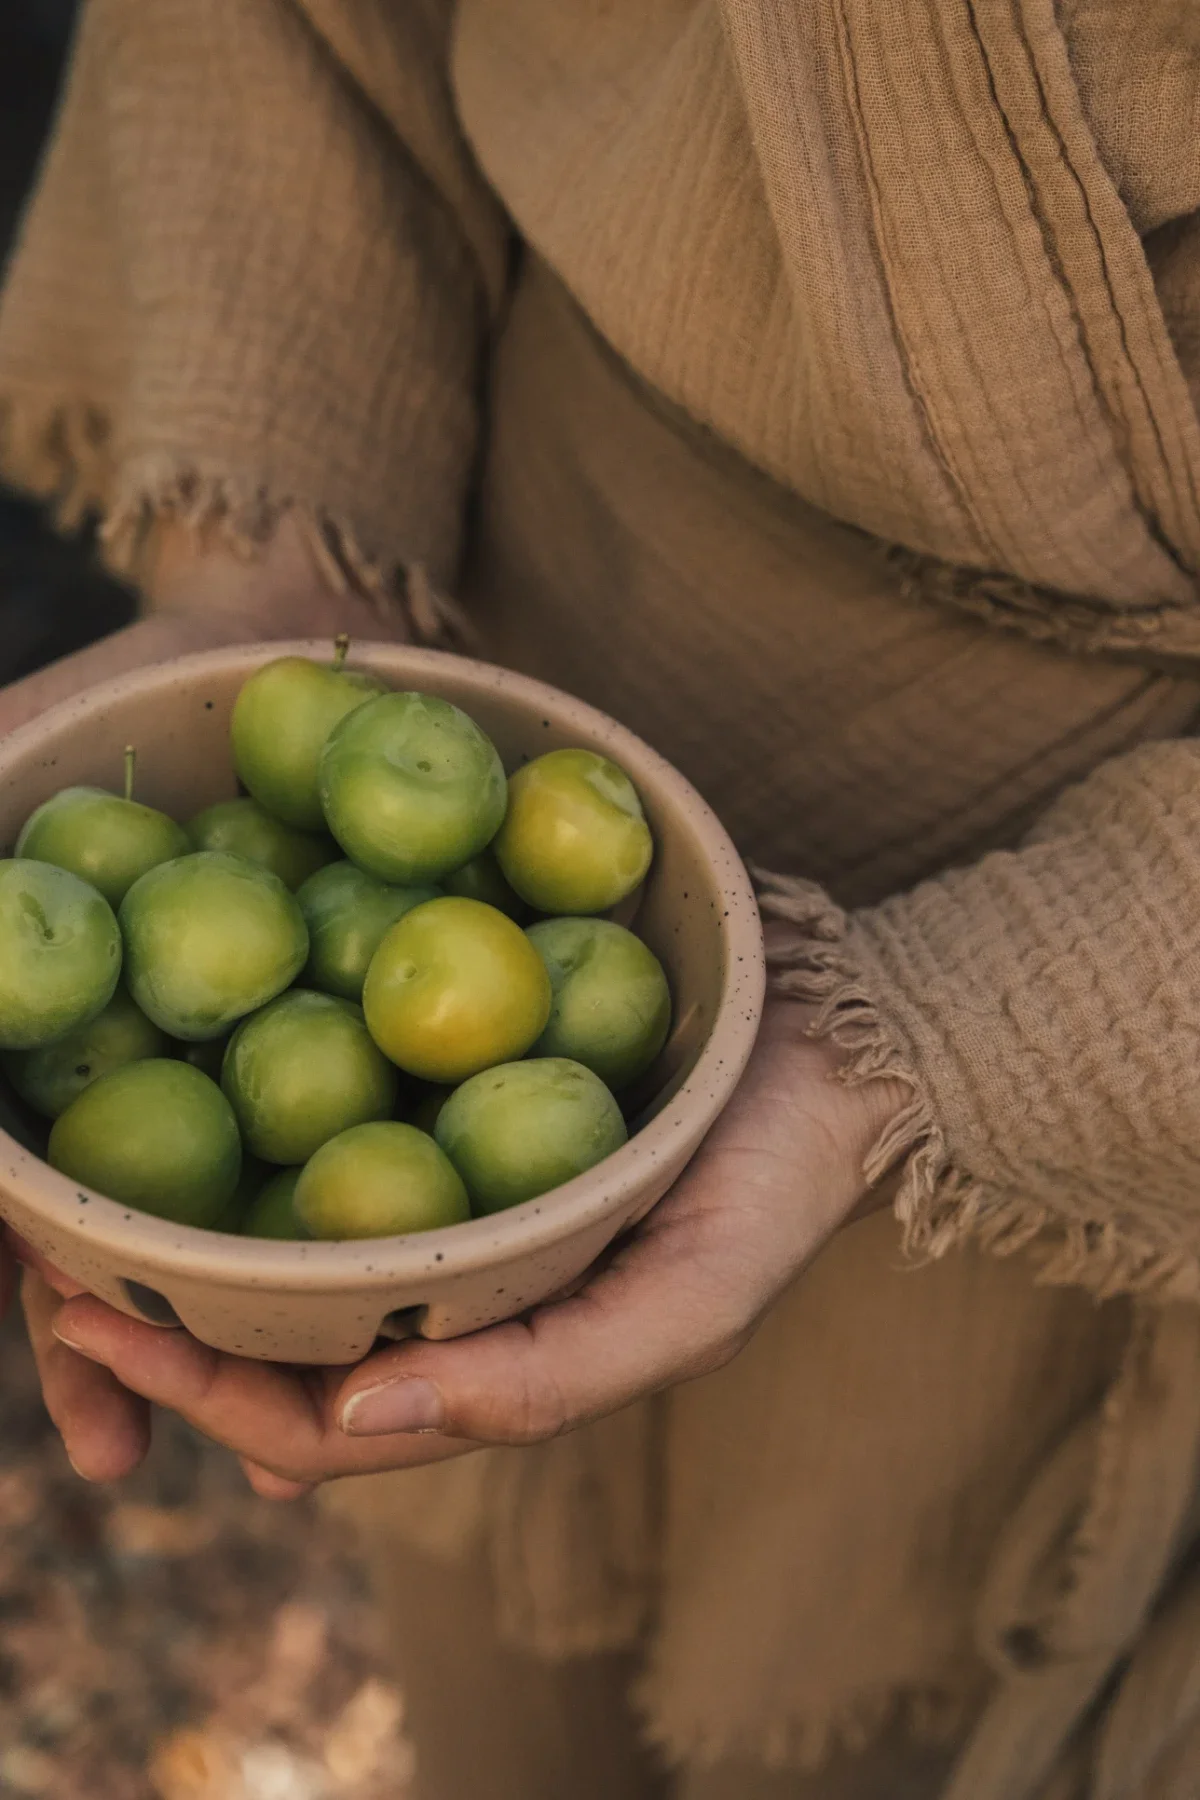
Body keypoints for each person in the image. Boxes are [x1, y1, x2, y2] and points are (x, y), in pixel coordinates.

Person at [3, 4, 1200, 1796]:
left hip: (1115, 1001)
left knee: (915, 1653)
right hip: (525, 585)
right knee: (505, 1644)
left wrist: (942, 1052)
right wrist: (275, 569)